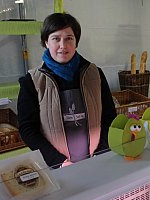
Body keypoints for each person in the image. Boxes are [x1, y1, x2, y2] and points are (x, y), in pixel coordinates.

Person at [17, 13, 117, 168]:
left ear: (76, 42)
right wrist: (59, 162)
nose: (63, 45)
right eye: (56, 38)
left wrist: (101, 151)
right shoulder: (32, 81)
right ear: (46, 42)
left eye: (69, 38)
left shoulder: (95, 74)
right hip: (57, 166)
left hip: (97, 160)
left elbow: (109, 116)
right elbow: (28, 130)